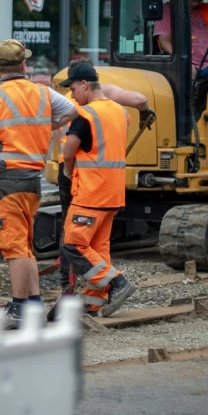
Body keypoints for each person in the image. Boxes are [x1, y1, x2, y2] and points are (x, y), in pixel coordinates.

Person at [0, 39, 77, 329]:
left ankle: (19, 307)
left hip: (4, 180)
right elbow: (72, 111)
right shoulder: (42, 92)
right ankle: (33, 304)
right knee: (24, 246)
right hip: (31, 180)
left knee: (14, 248)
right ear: (23, 65)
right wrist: (44, 126)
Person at [54, 60, 153, 296]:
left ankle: (117, 282)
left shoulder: (85, 114)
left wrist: (68, 172)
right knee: (99, 248)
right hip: (113, 192)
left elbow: (68, 152)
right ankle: (95, 301)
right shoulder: (121, 112)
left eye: (74, 89)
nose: (73, 94)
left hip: (90, 191)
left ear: (84, 84)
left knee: (72, 243)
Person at [154, 0, 208, 77]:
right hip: (181, 64)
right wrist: (184, 63)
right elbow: (164, 42)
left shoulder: (207, 11)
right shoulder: (168, 10)